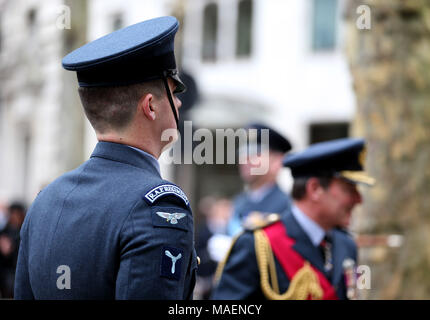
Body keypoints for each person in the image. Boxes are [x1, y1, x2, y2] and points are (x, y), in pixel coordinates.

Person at [14, 16, 197, 299]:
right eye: (173, 93)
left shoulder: (46, 200)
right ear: (150, 106)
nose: (179, 103)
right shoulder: (159, 206)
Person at [212, 137, 374, 300]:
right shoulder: (258, 245)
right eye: (349, 190)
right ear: (315, 189)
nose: (359, 199)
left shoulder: (346, 244)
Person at [227, 123, 292, 236]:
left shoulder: (288, 206)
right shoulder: (239, 202)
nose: (245, 159)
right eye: (243, 152)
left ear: (277, 161)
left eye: (255, 153)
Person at [0, 202, 26, 298]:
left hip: (17, 272)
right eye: (13, 214)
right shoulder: (4, 231)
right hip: (6, 273)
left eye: (17, 214)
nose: (15, 217)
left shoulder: (23, 231)